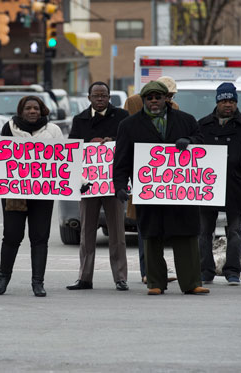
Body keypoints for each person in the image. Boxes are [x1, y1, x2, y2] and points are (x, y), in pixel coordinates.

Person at [113, 80, 209, 296]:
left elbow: (202, 143)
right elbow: (121, 160)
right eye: (149, 97)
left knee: (186, 235)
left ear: (167, 98)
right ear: (143, 100)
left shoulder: (186, 120)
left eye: (158, 97)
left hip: (182, 190)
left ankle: (192, 282)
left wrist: (190, 140)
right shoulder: (128, 126)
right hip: (150, 190)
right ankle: (155, 282)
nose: (154, 101)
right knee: (152, 235)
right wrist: (120, 186)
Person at [0, 96, 63, 297]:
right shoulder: (9, 128)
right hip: (15, 194)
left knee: (39, 238)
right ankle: (3, 279)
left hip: (43, 194)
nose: (32, 111)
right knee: (11, 235)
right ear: (21, 111)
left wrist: (79, 183)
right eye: (28, 108)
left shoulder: (53, 131)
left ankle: (38, 283)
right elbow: (0, 155)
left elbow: (65, 159)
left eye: (36, 108)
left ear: (42, 110)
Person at [197, 82, 241, 286]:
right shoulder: (203, 125)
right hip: (207, 186)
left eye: (232, 101)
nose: (228, 104)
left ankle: (233, 270)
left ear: (236, 103)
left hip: (234, 184)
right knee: (203, 231)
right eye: (224, 100)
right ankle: (205, 270)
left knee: (234, 231)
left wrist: (239, 158)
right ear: (217, 102)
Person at [66, 82, 130, 291]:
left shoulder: (122, 117)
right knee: (86, 232)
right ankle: (85, 277)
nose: (100, 99)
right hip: (88, 183)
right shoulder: (80, 120)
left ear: (109, 97)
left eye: (104, 95)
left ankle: (120, 278)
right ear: (89, 97)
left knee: (117, 233)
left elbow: (129, 143)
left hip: (114, 182)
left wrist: (112, 141)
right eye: (96, 95)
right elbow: (72, 150)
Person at [123, 78, 179, 285]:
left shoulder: (175, 109)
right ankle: (148, 272)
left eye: (169, 97)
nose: (168, 100)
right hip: (143, 176)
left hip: (166, 179)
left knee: (162, 229)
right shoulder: (133, 103)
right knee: (144, 227)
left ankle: (159, 270)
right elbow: (128, 133)